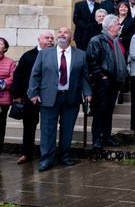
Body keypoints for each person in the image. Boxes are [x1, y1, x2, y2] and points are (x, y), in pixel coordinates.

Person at [28, 28, 91, 171]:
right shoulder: (44, 54)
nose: (62, 34)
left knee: (67, 129)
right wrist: (33, 93)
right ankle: (47, 159)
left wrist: (87, 93)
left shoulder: (80, 55)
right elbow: (35, 74)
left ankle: (65, 156)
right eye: (60, 32)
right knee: (48, 129)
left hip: (71, 97)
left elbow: (84, 76)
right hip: (49, 97)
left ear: (71, 37)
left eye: (65, 32)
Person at [11, 31, 54, 163]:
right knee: (29, 125)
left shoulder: (56, 55)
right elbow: (18, 75)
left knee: (48, 126)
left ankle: (47, 154)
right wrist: (17, 95)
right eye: (47, 38)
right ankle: (26, 153)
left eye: (52, 38)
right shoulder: (28, 56)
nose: (50, 40)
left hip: (50, 96)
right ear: (39, 39)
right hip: (31, 96)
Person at [86, 14, 128, 149]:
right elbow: (92, 60)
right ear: (110, 26)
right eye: (117, 24)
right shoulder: (97, 40)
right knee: (100, 110)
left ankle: (106, 136)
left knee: (109, 110)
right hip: (102, 82)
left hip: (115, 81)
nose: (119, 26)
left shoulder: (116, 40)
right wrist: (101, 76)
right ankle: (97, 138)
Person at [0, 37, 16, 155]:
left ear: (5, 48)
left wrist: (2, 83)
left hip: (3, 99)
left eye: (0, 44)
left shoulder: (10, 62)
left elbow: (13, 78)